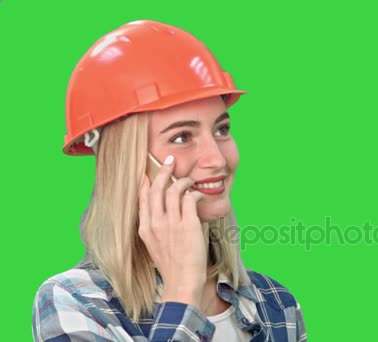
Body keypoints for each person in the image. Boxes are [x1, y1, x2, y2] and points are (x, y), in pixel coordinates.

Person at [32, 20, 306, 342]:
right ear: (128, 164)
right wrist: (181, 291)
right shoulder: (74, 302)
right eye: (181, 137)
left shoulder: (276, 304)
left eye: (221, 130)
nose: (216, 158)